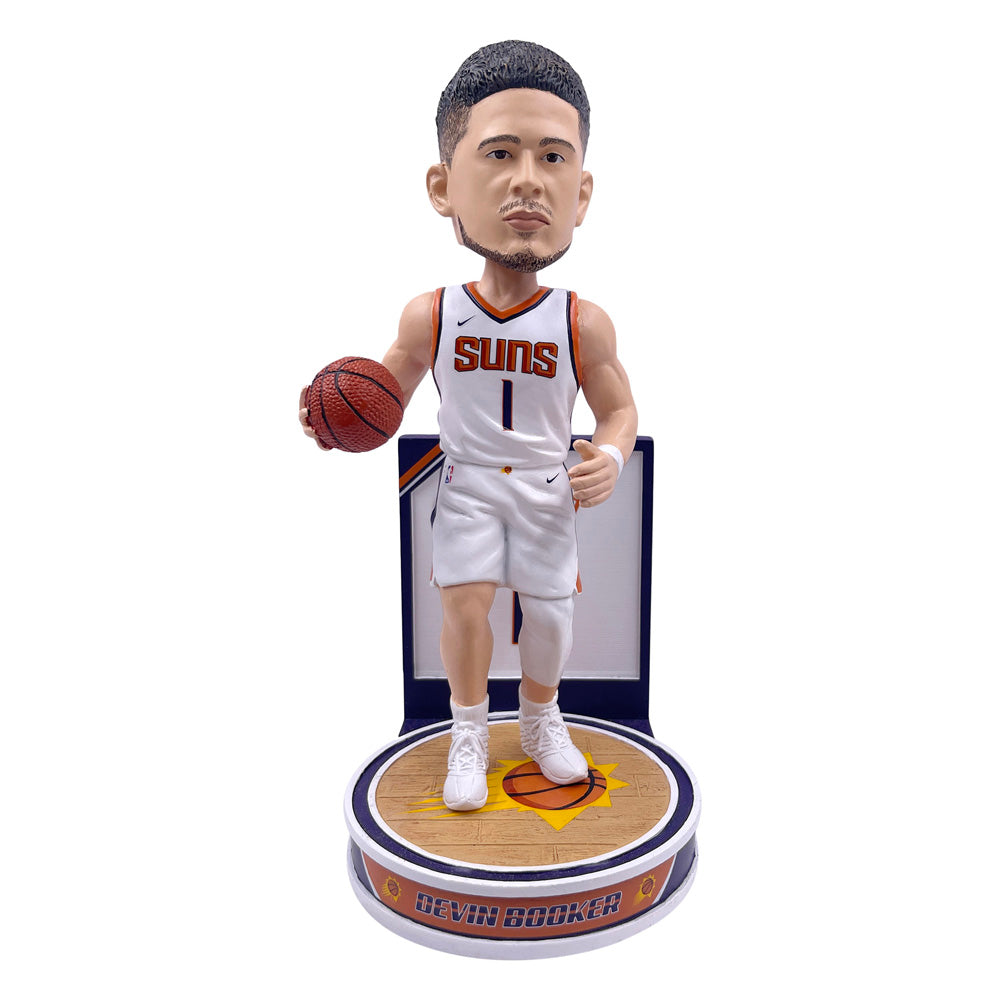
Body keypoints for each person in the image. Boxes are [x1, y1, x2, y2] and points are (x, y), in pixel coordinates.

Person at [301, 41, 637, 811]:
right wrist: (335, 418)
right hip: (470, 482)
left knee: (550, 615)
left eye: (552, 157)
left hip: (548, 485)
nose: (528, 179)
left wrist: (613, 457)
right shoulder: (433, 313)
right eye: (500, 153)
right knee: (464, 605)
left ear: (581, 193)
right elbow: (383, 396)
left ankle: (542, 718)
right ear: (443, 185)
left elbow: (618, 410)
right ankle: (467, 730)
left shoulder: (582, 320)